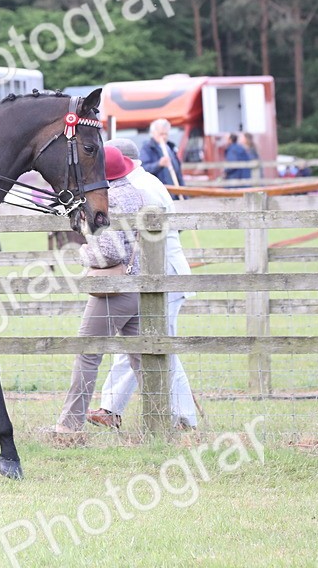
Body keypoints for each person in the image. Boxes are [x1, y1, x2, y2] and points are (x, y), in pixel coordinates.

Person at [90, 138, 198, 431]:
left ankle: (182, 418)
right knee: (142, 345)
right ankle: (111, 409)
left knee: (159, 348)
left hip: (164, 276)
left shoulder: (141, 188)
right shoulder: (138, 183)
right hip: (155, 276)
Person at [52, 145, 145, 436]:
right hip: (138, 284)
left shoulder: (110, 198)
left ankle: (69, 425)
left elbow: (107, 252)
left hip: (114, 289)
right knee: (144, 358)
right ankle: (165, 418)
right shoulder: (133, 193)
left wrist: (81, 254)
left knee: (87, 354)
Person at [139, 118, 184, 198]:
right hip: (159, 195)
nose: (164, 137)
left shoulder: (171, 147)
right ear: (153, 133)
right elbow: (143, 169)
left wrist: (184, 194)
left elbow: (178, 174)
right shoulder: (148, 148)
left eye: (166, 134)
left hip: (175, 194)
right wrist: (159, 164)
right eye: (161, 134)